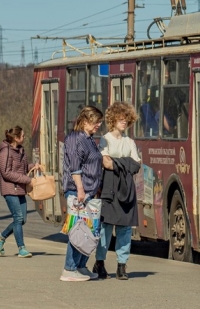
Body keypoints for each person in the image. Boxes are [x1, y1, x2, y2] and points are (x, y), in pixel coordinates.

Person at [93, 102, 141, 280]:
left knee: (125, 229)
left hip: (127, 189)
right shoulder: (105, 139)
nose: (124, 122)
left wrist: (117, 162)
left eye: (126, 119)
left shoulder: (130, 142)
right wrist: (125, 162)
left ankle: (122, 265)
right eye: (121, 119)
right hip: (108, 188)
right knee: (105, 229)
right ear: (113, 120)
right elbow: (105, 163)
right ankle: (100, 262)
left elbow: (136, 165)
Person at [60, 105, 104, 282]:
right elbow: (74, 166)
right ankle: (69, 268)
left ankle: (80, 265)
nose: (98, 125)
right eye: (96, 122)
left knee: (91, 230)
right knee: (78, 230)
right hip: (78, 191)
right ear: (85, 121)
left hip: (89, 192)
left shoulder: (89, 138)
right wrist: (80, 189)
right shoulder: (74, 138)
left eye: (100, 122)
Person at [0, 126, 41, 258]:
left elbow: (24, 168)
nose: (24, 137)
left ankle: (1, 237)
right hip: (9, 189)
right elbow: (6, 173)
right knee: (18, 218)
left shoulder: (21, 150)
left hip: (20, 188)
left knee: (22, 219)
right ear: (16, 138)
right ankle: (22, 248)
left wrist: (34, 166)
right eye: (22, 135)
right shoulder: (5, 152)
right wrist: (27, 180)